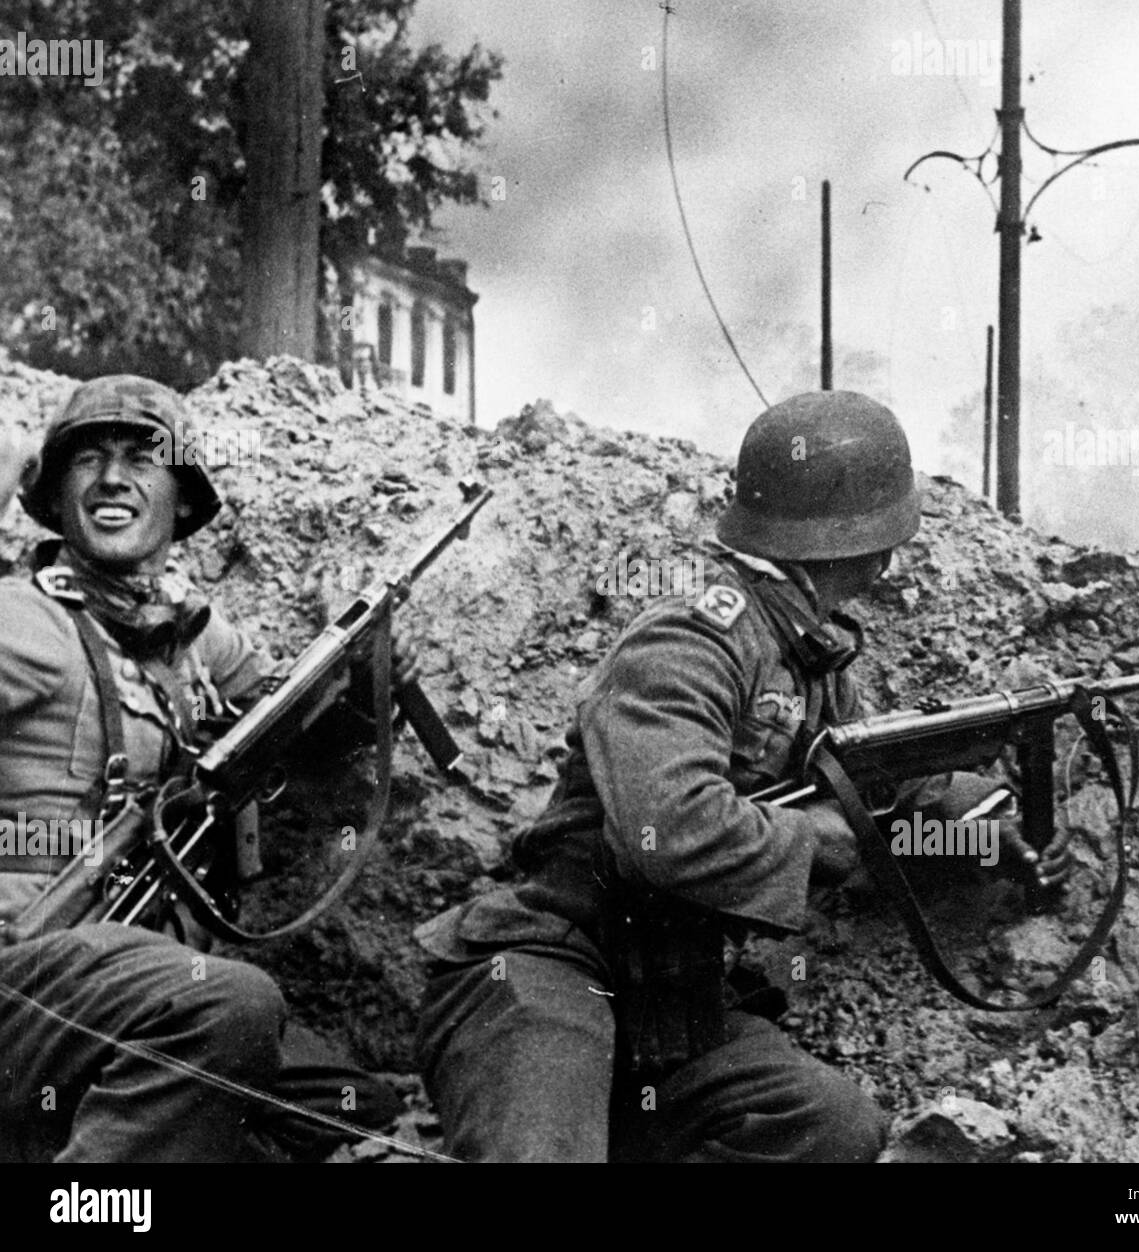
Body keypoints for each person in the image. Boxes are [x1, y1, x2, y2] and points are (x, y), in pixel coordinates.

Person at [414, 390, 1072, 1162]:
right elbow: (672, 830)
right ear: (871, 541)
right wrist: (819, 840)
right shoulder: (692, 638)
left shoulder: (811, 661)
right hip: (551, 963)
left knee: (829, 1130)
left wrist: (981, 838)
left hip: (669, 1002)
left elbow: (882, 803)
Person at [0, 375, 403, 1163]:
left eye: (142, 459)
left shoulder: (193, 636)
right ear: (57, 496)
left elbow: (295, 739)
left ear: (182, 499)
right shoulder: (27, 621)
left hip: (123, 995)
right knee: (230, 1003)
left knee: (342, 1103)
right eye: (89, 460)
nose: (113, 478)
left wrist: (369, 687)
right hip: (24, 979)